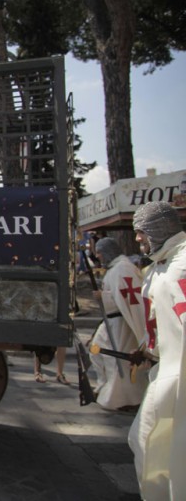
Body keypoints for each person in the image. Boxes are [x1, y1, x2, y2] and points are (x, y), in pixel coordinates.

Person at [127, 201, 185, 500]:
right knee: (145, 441)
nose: (138, 239)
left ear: (159, 228)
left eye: (141, 232)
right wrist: (148, 348)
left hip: (179, 379)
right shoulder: (162, 264)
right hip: (166, 372)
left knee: (172, 453)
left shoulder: (183, 265)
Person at [89, 237, 148, 410]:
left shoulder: (123, 269)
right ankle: (105, 387)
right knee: (96, 350)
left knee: (118, 361)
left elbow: (125, 299)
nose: (98, 256)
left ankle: (124, 399)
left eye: (99, 252)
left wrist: (103, 297)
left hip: (121, 323)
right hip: (111, 322)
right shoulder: (116, 269)